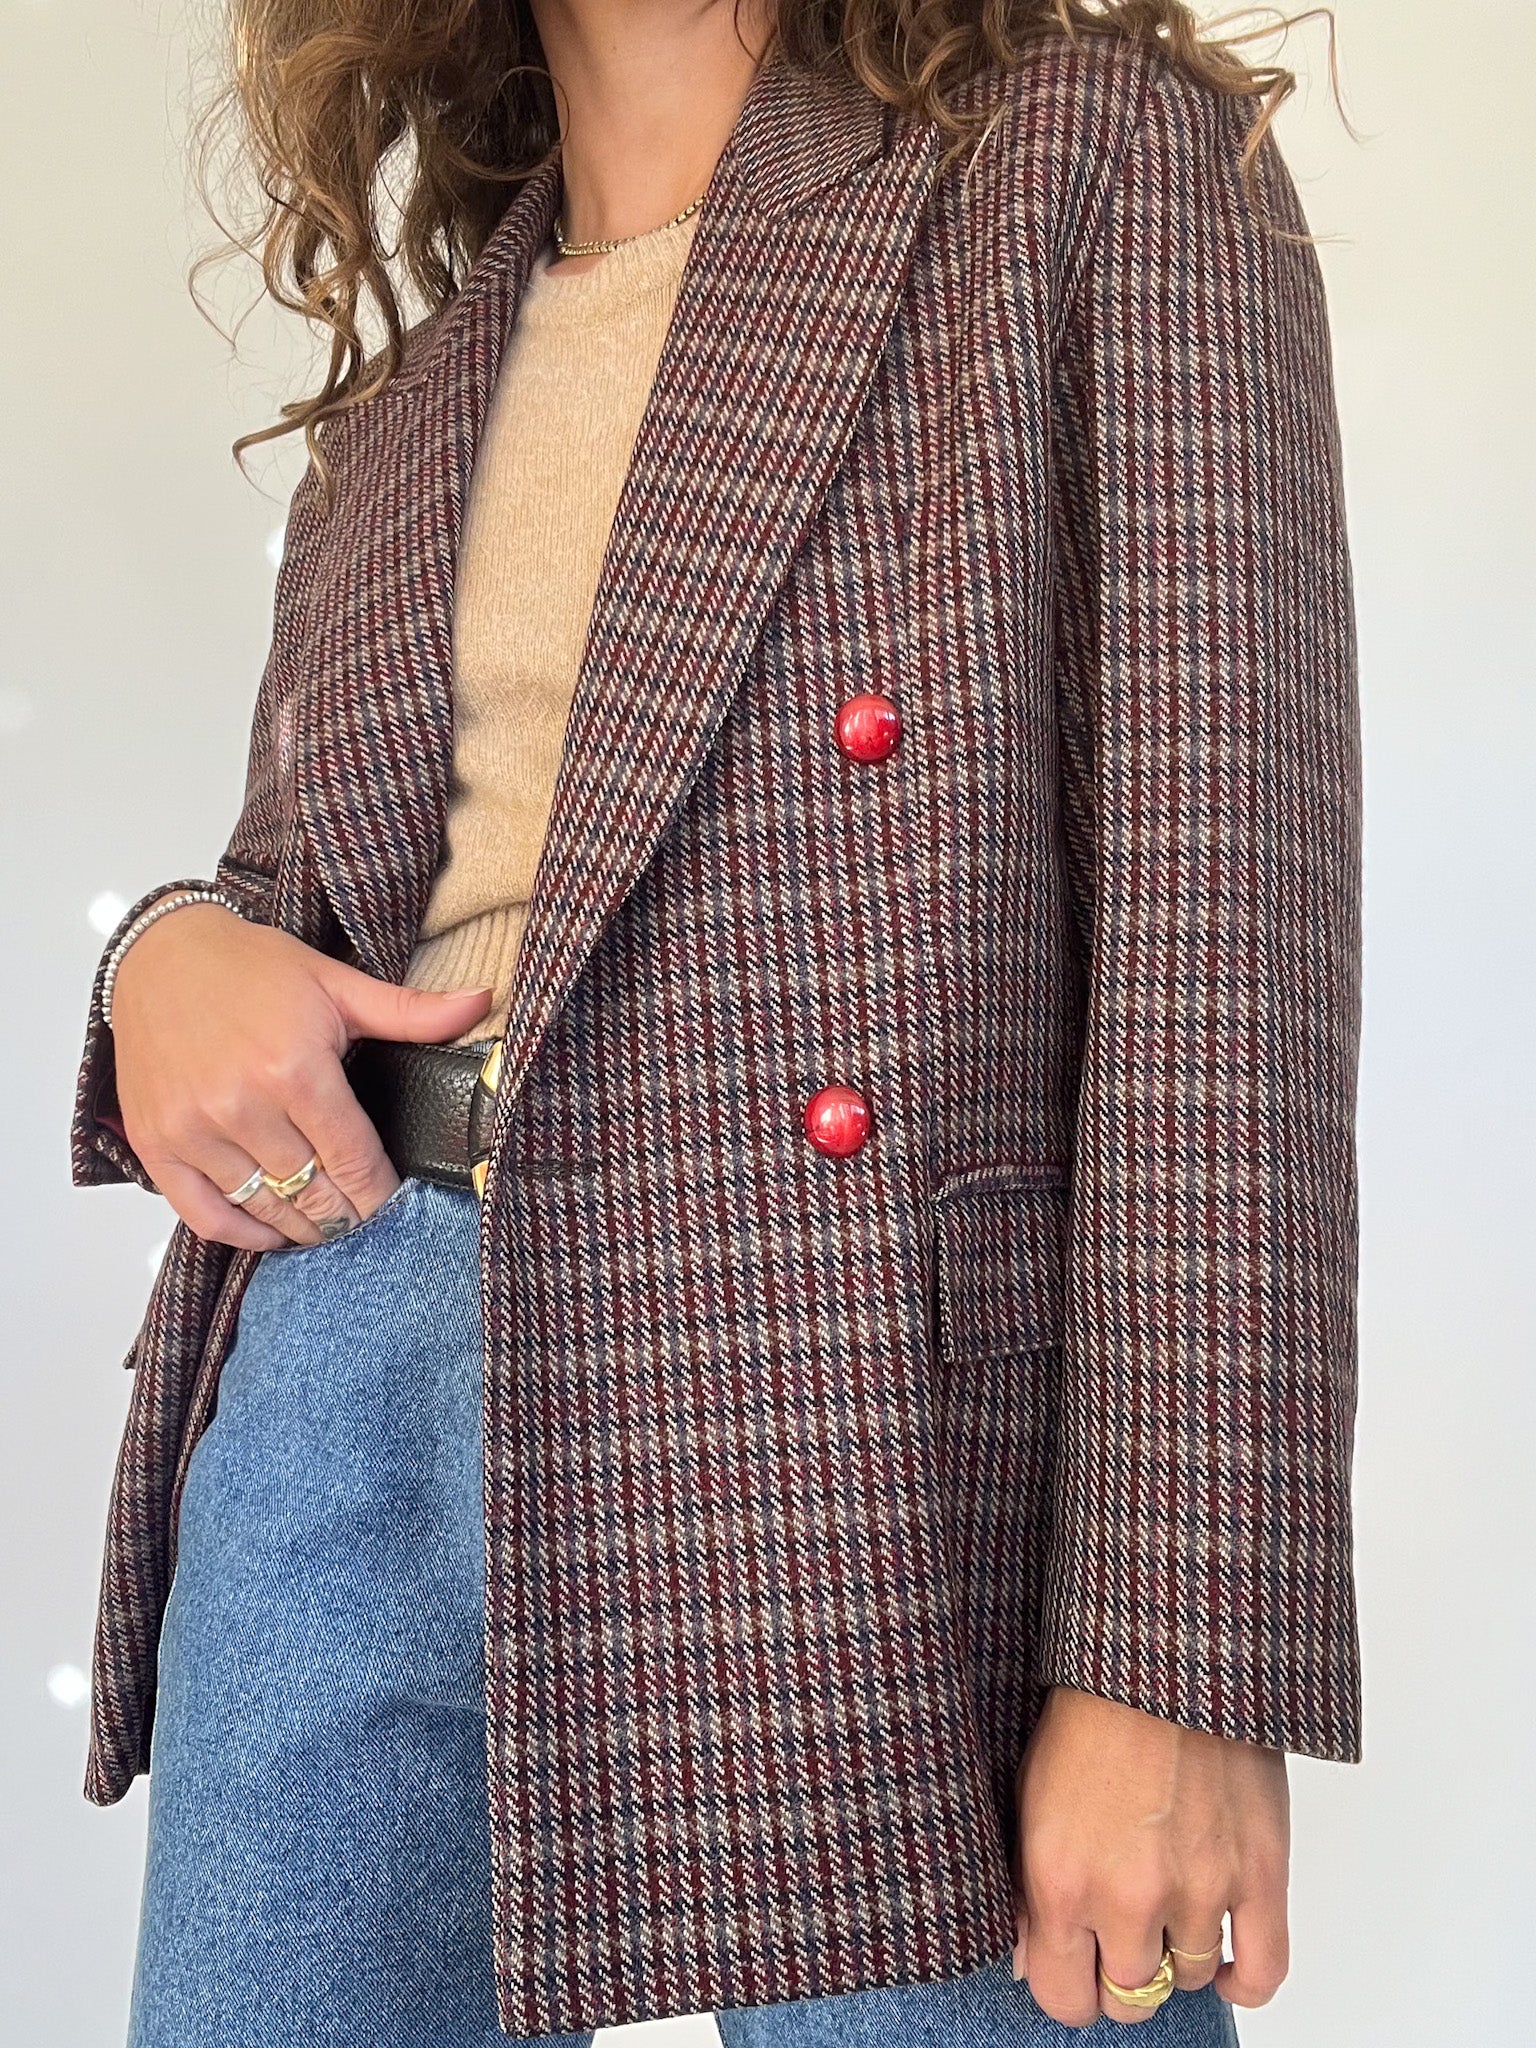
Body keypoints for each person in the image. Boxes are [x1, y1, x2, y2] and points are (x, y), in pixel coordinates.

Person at [71, 0, 1361, 2042]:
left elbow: (1225, 948)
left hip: (849, 1420)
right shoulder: (414, 391)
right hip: (340, 1386)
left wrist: (1176, 1657)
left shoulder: (1085, 161)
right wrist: (158, 958)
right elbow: (288, 895)